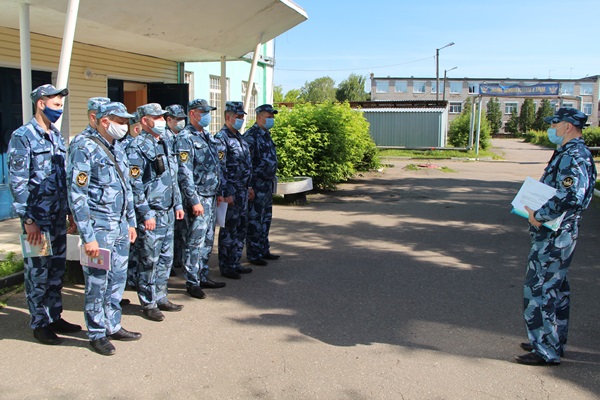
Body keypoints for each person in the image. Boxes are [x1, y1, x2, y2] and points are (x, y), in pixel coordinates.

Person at [515, 107, 597, 366]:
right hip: (560, 231)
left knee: (540, 288)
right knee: (556, 288)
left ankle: (545, 350)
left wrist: (540, 214)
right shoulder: (573, 152)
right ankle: (550, 340)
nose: (553, 128)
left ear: (568, 126)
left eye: (556, 123)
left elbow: (572, 196)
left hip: (555, 231)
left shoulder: (573, 155)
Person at [7, 84, 81, 345]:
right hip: (36, 221)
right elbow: (17, 183)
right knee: (37, 272)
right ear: (41, 103)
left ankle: (55, 316)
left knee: (56, 270)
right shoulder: (23, 136)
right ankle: (39, 323)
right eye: (56, 105)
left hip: (58, 217)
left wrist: (70, 213)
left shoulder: (56, 136)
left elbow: (63, 179)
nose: (59, 110)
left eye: (61, 106)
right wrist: (28, 221)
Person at [67, 102, 141, 356]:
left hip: (119, 226)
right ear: (98, 119)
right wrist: (87, 237)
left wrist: (131, 221)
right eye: (117, 120)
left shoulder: (118, 146)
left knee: (117, 278)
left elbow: (126, 187)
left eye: (125, 121)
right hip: (98, 228)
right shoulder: (83, 146)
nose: (123, 125)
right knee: (97, 281)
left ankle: (113, 324)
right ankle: (97, 332)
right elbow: (78, 195)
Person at [127, 103, 185, 321]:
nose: (161, 120)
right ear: (144, 121)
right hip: (151, 213)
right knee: (148, 260)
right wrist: (145, 213)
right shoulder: (137, 146)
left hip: (168, 211)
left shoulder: (165, 142)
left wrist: (177, 204)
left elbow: (173, 176)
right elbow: (135, 184)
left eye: (162, 117)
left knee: (165, 257)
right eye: (157, 117)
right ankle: (148, 302)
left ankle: (161, 296)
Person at [175, 99, 226, 298]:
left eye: (209, 111)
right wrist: (194, 200)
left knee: (207, 240)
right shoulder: (185, 138)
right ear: (193, 114)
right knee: (194, 241)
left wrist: (219, 191)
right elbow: (184, 172)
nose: (207, 115)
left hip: (211, 196)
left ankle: (203, 275)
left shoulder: (206, 136)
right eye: (203, 112)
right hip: (197, 198)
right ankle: (192, 281)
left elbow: (215, 167)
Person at [217, 101, 254, 279]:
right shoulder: (221, 138)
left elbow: (246, 165)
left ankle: (235, 261)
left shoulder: (240, 138)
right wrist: (225, 194)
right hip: (231, 192)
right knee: (229, 230)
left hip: (242, 191)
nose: (240, 119)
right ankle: (226, 265)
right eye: (237, 117)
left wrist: (249, 186)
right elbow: (220, 168)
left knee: (240, 228)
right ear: (228, 117)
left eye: (241, 117)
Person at [244, 104, 280, 266]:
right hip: (256, 185)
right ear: (259, 117)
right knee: (254, 220)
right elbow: (246, 165)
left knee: (265, 219)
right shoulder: (251, 136)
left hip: (266, 184)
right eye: (268, 117)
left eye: (272, 117)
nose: (271, 119)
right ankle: (254, 253)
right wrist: (249, 187)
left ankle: (264, 249)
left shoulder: (266, 134)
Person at [164, 104, 187, 272]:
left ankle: (177, 259)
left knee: (181, 229)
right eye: (177, 119)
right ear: (168, 120)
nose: (181, 122)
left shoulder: (182, 136)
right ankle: (170, 263)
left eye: (182, 119)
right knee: (171, 230)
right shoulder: (165, 138)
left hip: (181, 192)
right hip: (169, 192)